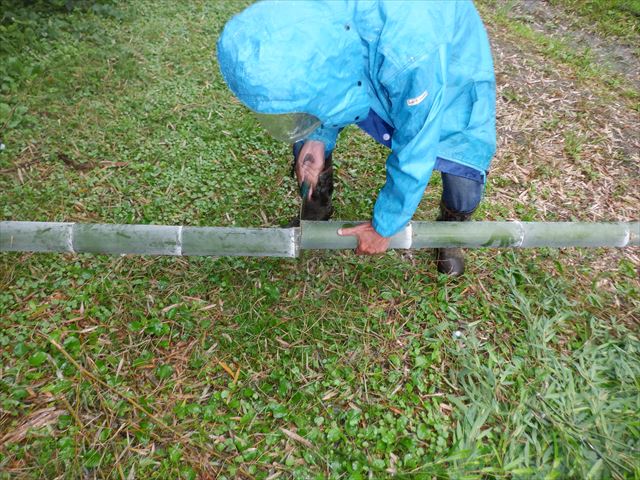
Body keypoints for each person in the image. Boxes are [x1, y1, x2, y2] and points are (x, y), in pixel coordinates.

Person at [217, 0, 496, 276]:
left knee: (462, 177)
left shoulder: (411, 50)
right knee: (307, 143)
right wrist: (317, 136)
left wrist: (385, 226)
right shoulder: (310, 20)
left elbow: (418, 140)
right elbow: (326, 79)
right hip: (380, 43)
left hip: (443, 55)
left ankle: (450, 231)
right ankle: (316, 209)